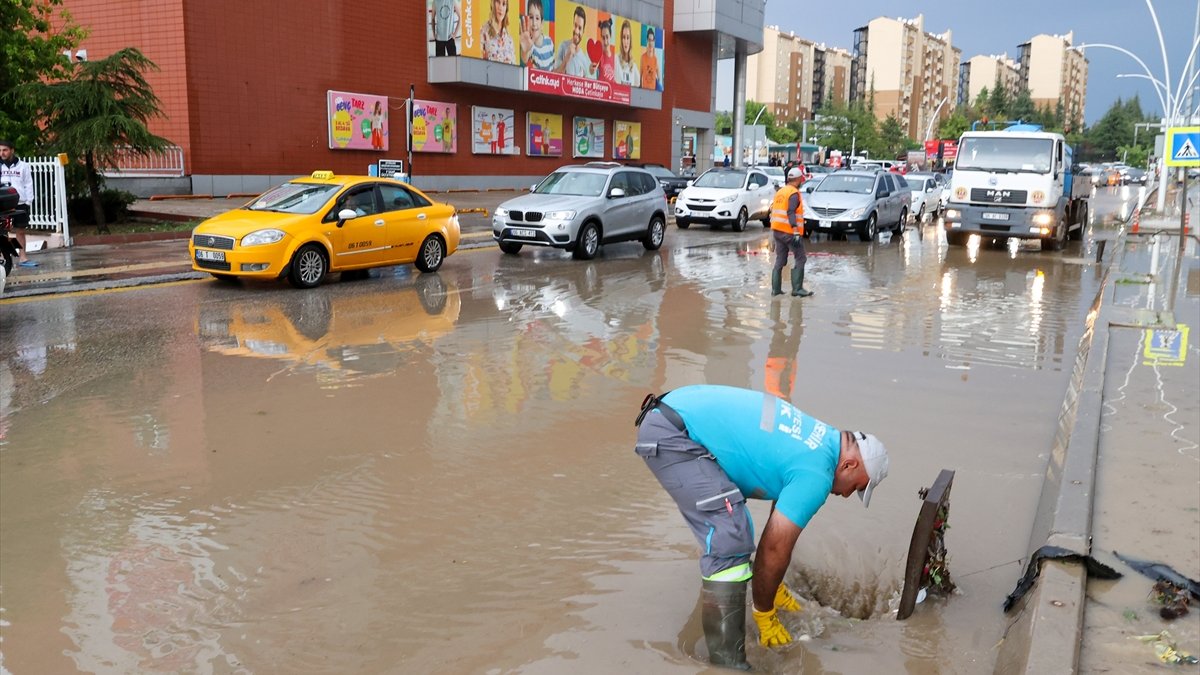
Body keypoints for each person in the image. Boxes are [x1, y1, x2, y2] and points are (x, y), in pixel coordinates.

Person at [633, 385, 890, 668]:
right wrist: (765, 611)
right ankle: (726, 664)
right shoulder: (819, 472)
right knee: (731, 535)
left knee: (731, 526)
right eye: (856, 487)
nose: (845, 495)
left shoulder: (821, 439)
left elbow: (781, 511)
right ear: (850, 465)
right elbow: (776, 543)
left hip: (672, 414)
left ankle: (724, 631)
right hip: (673, 434)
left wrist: (772, 586)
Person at [770, 167, 812, 297]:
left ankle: (775, 290)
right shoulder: (793, 193)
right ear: (798, 179)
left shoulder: (781, 191)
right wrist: (795, 230)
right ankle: (797, 289)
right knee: (801, 258)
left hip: (777, 230)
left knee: (780, 259)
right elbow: (790, 211)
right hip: (789, 232)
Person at [0, 140, 37, 268]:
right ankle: (5, 257)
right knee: (3, 232)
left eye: (5, 150)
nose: (2, 153)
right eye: (0, 150)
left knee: (20, 231)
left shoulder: (23, 166)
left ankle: (22, 257)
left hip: (20, 203)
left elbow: (28, 184)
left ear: (12, 150)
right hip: (3, 204)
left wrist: (28, 201)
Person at [555, 6, 591, 77]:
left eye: (580, 28)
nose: (577, 31)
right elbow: (554, 76)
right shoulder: (563, 46)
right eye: (575, 25)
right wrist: (567, 58)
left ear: (583, 31)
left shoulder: (584, 60)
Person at [519, 0, 554, 70]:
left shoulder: (549, 42)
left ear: (542, 23)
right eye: (531, 17)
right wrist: (525, 51)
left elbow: (553, 67)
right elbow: (524, 58)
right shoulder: (529, 45)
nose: (534, 23)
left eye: (537, 18)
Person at [480, 0, 516, 65]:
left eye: (504, 4)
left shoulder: (509, 39)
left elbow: (514, 68)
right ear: (493, 4)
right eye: (498, 2)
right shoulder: (484, 31)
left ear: (506, 8)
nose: (500, 8)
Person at [614, 20, 640, 86]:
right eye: (624, 37)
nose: (626, 41)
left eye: (628, 38)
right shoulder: (615, 59)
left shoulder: (634, 66)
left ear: (630, 40)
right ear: (621, 39)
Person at [640, 25, 660, 89]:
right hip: (644, 91)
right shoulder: (643, 57)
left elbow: (659, 79)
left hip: (653, 92)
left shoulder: (655, 59)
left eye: (652, 40)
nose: (650, 43)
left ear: (654, 41)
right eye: (649, 40)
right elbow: (640, 77)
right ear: (647, 41)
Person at [596, 16, 615, 83]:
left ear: (611, 36)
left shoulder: (615, 58)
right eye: (603, 38)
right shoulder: (599, 55)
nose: (605, 41)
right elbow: (592, 70)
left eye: (607, 37)